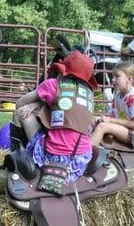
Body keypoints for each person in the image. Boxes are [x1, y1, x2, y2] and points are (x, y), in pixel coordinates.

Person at [13, 51, 98, 182]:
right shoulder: (88, 93)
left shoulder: (52, 84)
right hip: (80, 160)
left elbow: (19, 103)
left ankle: (19, 157)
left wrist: (37, 103)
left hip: (54, 159)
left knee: (21, 113)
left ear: (63, 71)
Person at [90, 62, 134, 150]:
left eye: (117, 76)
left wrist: (110, 120)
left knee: (102, 127)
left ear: (129, 79)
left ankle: (84, 156)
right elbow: (112, 115)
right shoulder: (118, 96)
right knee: (95, 124)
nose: (113, 80)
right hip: (125, 130)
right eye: (113, 76)